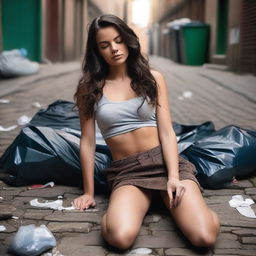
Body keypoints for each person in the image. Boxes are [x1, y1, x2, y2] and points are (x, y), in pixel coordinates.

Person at [73, 14, 220, 250]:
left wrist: (173, 176)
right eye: (105, 45)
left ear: (128, 40)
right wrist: (89, 192)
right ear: (97, 51)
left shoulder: (153, 78)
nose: (114, 48)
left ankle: (193, 208)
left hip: (164, 162)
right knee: (119, 238)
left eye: (119, 40)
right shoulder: (89, 87)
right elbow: (88, 141)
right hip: (127, 171)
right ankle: (139, 203)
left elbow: (166, 132)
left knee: (204, 238)